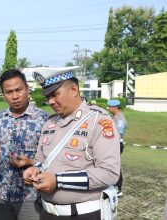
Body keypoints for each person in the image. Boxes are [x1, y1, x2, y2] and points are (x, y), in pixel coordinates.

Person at [23, 67, 120, 220]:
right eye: (48, 96)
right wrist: (34, 169)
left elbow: (109, 173)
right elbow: (43, 161)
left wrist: (58, 181)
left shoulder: (99, 121)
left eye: (55, 94)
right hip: (47, 212)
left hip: (83, 214)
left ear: (74, 89)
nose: (50, 101)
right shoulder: (49, 123)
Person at [0, 69, 49, 220]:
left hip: (30, 195)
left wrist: (30, 162)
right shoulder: (0, 117)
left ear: (27, 89)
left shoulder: (44, 119)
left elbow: (50, 158)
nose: (15, 96)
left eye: (19, 90)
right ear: (3, 94)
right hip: (1, 193)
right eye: (9, 92)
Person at [107, 99, 127, 197]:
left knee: (115, 165)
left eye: (109, 107)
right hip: (114, 144)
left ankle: (118, 187)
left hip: (117, 144)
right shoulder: (114, 117)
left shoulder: (120, 119)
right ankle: (114, 184)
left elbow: (119, 134)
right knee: (111, 164)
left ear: (114, 108)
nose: (108, 109)